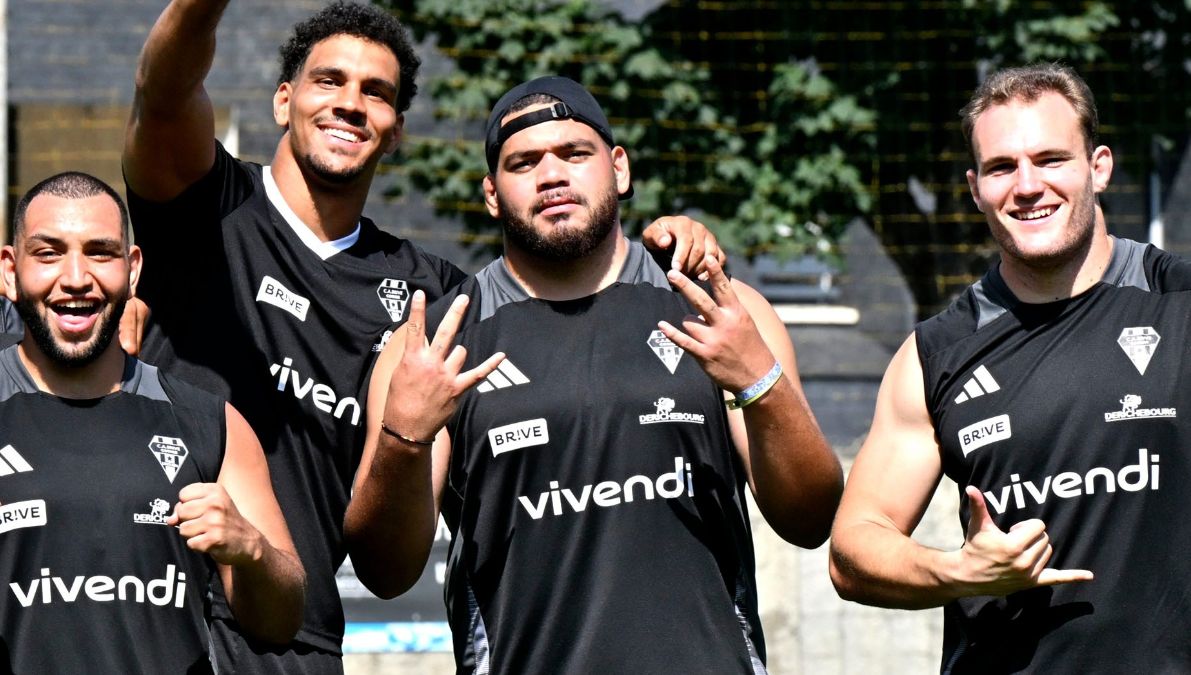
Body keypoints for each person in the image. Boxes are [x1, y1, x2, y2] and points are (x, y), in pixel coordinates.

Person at [122, 1, 724, 671]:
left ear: (397, 130)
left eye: (375, 93)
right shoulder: (207, 203)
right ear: (283, 100)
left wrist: (664, 247)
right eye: (329, 81)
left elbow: (553, 304)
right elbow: (164, 88)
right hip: (146, 603)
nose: (351, 103)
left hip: (293, 634)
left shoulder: (430, 295)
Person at [346, 75, 844, 673]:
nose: (552, 175)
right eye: (524, 162)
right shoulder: (436, 344)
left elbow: (812, 520)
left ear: (619, 169)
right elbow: (384, 572)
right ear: (491, 194)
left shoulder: (721, 311)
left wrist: (759, 381)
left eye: (574, 155)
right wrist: (403, 438)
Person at [829, 63, 1191, 672]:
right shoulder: (936, 354)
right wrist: (959, 571)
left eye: (1051, 159)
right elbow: (853, 549)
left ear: (1097, 167)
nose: (1027, 186)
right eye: (1002, 168)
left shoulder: (1179, 304)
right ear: (976, 189)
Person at [0, 172, 304, 674]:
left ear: (133, 268)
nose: (76, 277)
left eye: (100, 252)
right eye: (49, 253)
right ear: (10, 272)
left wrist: (250, 550)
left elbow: (283, 620)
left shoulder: (211, 423)